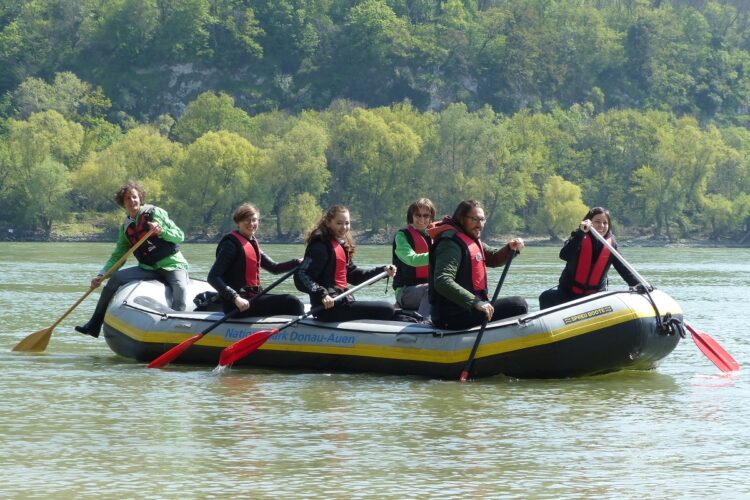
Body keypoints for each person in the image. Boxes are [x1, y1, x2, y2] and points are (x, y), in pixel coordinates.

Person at [75, 180, 189, 338]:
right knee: (115, 278)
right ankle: (94, 324)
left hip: (172, 265)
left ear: (140, 198)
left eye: (134, 197)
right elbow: (118, 257)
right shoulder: (125, 227)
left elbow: (180, 236)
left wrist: (161, 231)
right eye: (127, 198)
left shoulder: (155, 213)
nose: (132, 201)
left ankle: (176, 333)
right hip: (148, 268)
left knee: (181, 289)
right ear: (123, 203)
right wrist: (101, 275)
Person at [428, 200, 527, 330]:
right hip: (451, 315)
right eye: (475, 220)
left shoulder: (469, 238)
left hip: (467, 309)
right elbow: (442, 281)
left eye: (482, 220)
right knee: (518, 305)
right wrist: (476, 302)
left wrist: (510, 248)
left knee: (517, 304)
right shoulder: (450, 243)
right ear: (461, 218)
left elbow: (494, 258)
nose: (479, 225)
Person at [295, 205, 397, 322]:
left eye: (347, 223)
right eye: (339, 223)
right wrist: (322, 295)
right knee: (387, 308)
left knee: (389, 309)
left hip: (344, 302)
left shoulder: (341, 245)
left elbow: (354, 276)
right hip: (327, 309)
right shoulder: (320, 246)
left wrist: (382, 271)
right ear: (328, 223)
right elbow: (301, 274)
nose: (344, 227)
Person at [207, 203, 304, 317]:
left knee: (294, 302)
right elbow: (213, 277)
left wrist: (297, 262)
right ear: (238, 222)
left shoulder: (251, 242)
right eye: (247, 221)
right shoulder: (230, 245)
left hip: (252, 298)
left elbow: (274, 268)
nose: (251, 224)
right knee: (292, 302)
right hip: (236, 305)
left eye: (254, 220)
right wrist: (235, 297)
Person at [538, 206, 640, 309]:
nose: (601, 225)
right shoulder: (578, 236)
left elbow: (623, 268)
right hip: (569, 294)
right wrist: (581, 234)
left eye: (605, 223)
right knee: (546, 297)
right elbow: (564, 255)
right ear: (589, 222)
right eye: (597, 222)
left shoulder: (611, 245)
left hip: (595, 297)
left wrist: (638, 284)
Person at [391, 198, 435, 318]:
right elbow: (412, 260)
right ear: (411, 216)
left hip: (426, 288)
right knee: (431, 288)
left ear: (431, 218)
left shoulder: (433, 237)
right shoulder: (401, 236)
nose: (422, 219)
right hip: (405, 291)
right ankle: (423, 323)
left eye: (426, 216)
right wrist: (438, 255)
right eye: (418, 215)